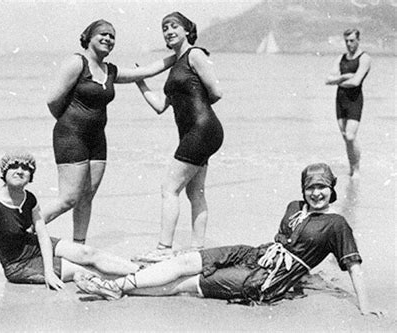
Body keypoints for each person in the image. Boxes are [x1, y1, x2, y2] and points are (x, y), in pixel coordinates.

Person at [74, 163, 384, 317]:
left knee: (187, 284)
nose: (316, 193)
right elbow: (288, 243)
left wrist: (365, 308)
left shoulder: (337, 224)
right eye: (310, 187)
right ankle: (117, 283)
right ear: (303, 189)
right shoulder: (294, 207)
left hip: (266, 279)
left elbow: (353, 266)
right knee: (184, 261)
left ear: (332, 188)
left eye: (322, 187)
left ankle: (114, 287)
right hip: (255, 254)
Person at [42, 19, 176, 245]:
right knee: (68, 199)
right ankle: (21, 229)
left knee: (86, 198)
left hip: (97, 140)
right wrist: (69, 123)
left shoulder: (110, 71)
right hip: (70, 137)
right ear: (89, 37)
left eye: (112, 36)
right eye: (102, 34)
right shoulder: (77, 62)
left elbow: (145, 72)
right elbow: (53, 99)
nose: (108, 39)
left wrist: (181, 53)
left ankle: (79, 246)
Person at [0, 152, 139, 290]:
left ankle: (143, 272)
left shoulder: (29, 198)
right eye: (13, 166)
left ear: (30, 176)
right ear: (3, 172)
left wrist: (49, 270)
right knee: (83, 270)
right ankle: (139, 283)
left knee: (88, 253)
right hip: (19, 265)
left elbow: (41, 234)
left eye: (26, 168)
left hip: (33, 246)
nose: (19, 170)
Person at [132, 12, 224, 262]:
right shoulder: (176, 63)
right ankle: (197, 250)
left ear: (187, 30)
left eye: (174, 26)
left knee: (169, 188)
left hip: (201, 130)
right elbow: (161, 105)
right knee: (195, 193)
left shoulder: (195, 54)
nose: (169, 31)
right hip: (200, 132)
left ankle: (163, 249)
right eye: (165, 28)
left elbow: (216, 91)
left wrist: (199, 106)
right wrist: (140, 82)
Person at [325, 28, 371, 178]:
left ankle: (356, 169)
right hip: (340, 100)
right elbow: (328, 79)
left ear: (358, 40)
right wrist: (345, 76)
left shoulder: (364, 58)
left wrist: (339, 81)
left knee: (351, 136)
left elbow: (356, 82)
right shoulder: (341, 58)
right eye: (346, 41)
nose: (349, 44)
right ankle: (352, 168)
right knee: (346, 137)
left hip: (354, 100)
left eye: (352, 40)